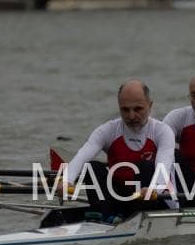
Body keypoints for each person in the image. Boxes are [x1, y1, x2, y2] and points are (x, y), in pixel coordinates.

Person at [65, 79, 175, 221]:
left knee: (145, 167)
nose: (131, 116)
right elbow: (82, 155)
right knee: (92, 167)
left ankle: (127, 219)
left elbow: (163, 167)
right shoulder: (108, 130)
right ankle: (103, 217)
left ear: (150, 105)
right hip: (120, 200)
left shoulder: (162, 131)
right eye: (125, 110)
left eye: (138, 109)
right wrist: (67, 180)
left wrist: (153, 189)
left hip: (154, 200)